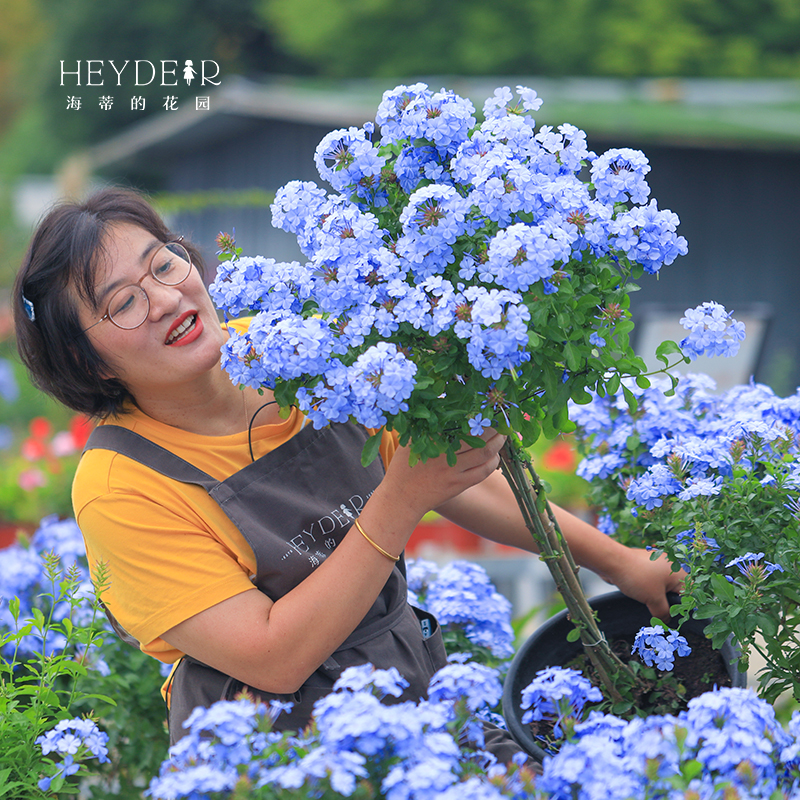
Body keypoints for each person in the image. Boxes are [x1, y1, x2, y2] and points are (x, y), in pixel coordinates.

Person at [13, 188, 684, 756]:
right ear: (89, 361)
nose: (163, 297)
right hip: (280, 754)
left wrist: (620, 562)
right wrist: (400, 500)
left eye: (163, 264)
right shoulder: (119, 486)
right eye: (122, 302)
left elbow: (456, 478)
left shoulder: (291, 352)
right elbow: (272, 655)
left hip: (409, 685)